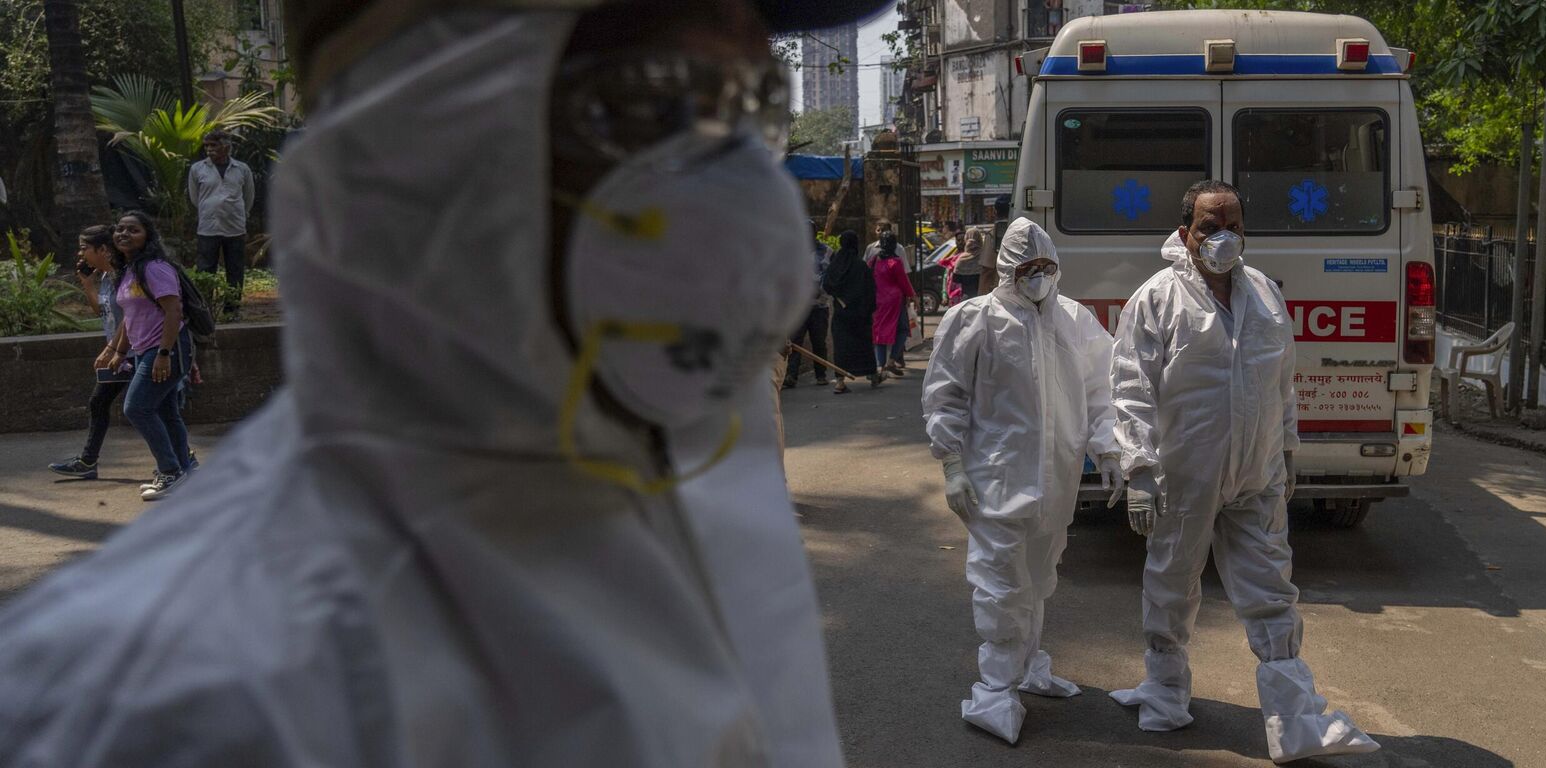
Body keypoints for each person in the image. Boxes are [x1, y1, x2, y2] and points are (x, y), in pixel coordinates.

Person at [0, 0, 887, 764]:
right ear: (424, 136)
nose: (736, 179)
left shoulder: (686, 492)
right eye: (649, 99)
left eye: (746, 106)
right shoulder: (165, 717)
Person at [1107, 180, 1379, 763]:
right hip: (1186, 473)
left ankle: (1293, 718)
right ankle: (1165, 691)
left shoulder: (1263, 294)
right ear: (1186, 233)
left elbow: (1282, 380)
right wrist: (1139, 470)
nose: (1222, 236)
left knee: (1271, 588)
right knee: (1172, 582)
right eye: (1210, 226)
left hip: (1255, 472)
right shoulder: (1155, 300)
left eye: (1232, 224)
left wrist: (1285, 449)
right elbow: (1131, 390)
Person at [923, 217, 1123, 744]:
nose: (1038, 277)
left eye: (1046, 267)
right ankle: (995, 686)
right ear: (1008, 270)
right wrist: (951, 464)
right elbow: (945, 397)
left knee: (1039, 576)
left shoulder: (1075, 321)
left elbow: (1103, 391)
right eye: (1028, 268)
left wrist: (1109, 448)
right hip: (995, 480)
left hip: (1056, 483)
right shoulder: (974, 319)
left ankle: (1028, 664)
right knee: (1000, 583)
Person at [98, 212, 197, 501]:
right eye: (120, 229)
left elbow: (173, 311)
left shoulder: (155, 268)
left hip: (166, 348)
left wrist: (164, 354)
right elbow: (131, 316)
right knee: (166, 412)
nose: (124, 234)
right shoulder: (130, 269)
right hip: (145, 350)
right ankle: (184, 472)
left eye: (133, 230)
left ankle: (170, 471)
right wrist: (120, 350)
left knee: (137, 408)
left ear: (147, 236)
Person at [46, 225, 131, 480]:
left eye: (85, 248)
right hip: (117, 354)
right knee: (101, 402)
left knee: (147, 408)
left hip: (134, 352)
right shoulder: (106, 278)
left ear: (103, 249)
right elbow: (101, 312)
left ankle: (180, 460)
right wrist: (87, 283)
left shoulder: (124, 277)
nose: (81, 254)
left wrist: (112, 349)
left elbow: (132, 318)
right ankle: (87, 461)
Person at [187, 128, 255, 311]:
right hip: (208, 227)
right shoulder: (197, 169)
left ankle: (232, 310)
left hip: (235, 227)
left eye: (214, 145)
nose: (209, 150)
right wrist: (209, 208)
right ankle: (205, 309)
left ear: (226, 146)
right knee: (205, 269)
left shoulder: (242, 169)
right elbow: (195, 198)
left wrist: (239, 213)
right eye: (207, 146)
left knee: (235, 269)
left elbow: (248, 197)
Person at [824, 228, 885, 393]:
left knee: (842, 347)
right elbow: (870, 290)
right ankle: (872, 375)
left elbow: (827, 284)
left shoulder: (835, 265)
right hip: (860, 315)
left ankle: (840, 381)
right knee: (863, 346)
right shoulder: (861, 266)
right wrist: (868, 308)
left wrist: (840, 297)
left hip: (841, 314)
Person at [784, 231, 833, 388]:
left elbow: (832, 274)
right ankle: (791, 375)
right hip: (799, 306)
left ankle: (821, 375)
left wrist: (822, 290)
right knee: (795, 342)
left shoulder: (826, 251)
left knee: (818, 341)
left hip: (819, 305)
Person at [870, 232, 914, 377]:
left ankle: (880, 366)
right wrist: (913, 296)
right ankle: (892, 360)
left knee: (879, 332)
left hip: (878, 301)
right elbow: (904, 282)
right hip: (895, 301)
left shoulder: (874, 261)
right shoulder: (895, 262)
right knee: (903, 329)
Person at [951, 221, 982, 299]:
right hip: (982, 297)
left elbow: (956, 279)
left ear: (966, 239)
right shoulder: (984, 257)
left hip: (967, 298)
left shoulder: (962, 259)